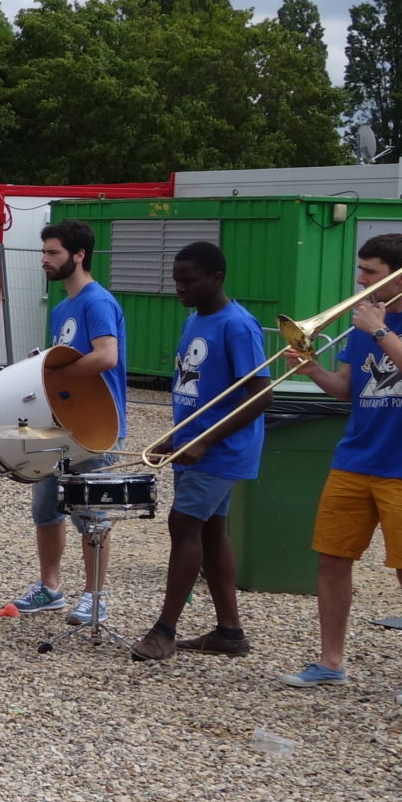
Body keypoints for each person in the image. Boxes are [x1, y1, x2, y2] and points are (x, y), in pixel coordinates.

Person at [279, 232, 402, 707]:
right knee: (331, 559)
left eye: (370, 273)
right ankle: (330, 661)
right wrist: (313, 370)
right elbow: (348, 387)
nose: (360, 281)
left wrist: (381, 331)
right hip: (354, 458)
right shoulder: (365, 321)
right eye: (360, 271)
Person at [131, 240, 268, 663]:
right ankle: (229, 632)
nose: (180, 289)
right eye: (176, 281)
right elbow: (199, 388)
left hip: (221, 450)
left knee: (183, 524)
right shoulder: (194, 319)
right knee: (210, 531)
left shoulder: (238, 325)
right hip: (194, 445)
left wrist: (205, 440)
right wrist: (175, 437)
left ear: (217, 277)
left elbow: (261, 395)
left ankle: (165, 630)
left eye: (189, 281)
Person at [0, 220, 128, 629]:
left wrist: (56, 379)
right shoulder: (61, 308)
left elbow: (106, 356)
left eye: (52, 253)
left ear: (78, 255)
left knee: (91, 513)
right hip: (58, 423)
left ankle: (95, 597)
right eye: (43, 252)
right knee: (45, 508)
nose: (44, 260)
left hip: (95, 426)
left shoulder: (97, 302)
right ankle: (50, 588)